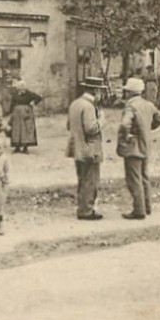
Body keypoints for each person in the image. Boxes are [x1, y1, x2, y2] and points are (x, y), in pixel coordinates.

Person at [117, 76, 160, 220]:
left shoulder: (131, 106)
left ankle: (139, 210)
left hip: (133, 147)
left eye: (126, 91)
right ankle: (147, 207)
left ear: (130, 92)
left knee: (134, 179)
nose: (125, 94)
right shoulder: (148, 105)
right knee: (144, 177)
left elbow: (125, 124)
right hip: (145, 145)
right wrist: (146, 129)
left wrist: (127, 136)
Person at [66, 78, 105, 221]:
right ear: (95, 91)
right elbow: (91, 128)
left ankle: (82, 207)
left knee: (82, 179)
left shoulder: (75, 103)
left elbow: (69, 125)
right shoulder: (89, 106)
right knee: (91, 180)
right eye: (100, 90)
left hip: (77, 148)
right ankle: (86, 210)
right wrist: (101, 119)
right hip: (89, 148)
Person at [7, 79, 41, 153]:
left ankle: (25, 147)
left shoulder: (28, 93)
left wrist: (33, 102)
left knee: (26, 130)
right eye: (19, 87)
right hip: (16, 114)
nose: (21, 88)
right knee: (16, 130)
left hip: (26, 113)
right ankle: (17, 147)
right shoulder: (15, 94)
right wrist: (10, 112)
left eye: (22, 86)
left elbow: (38, 98)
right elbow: (12, 103)